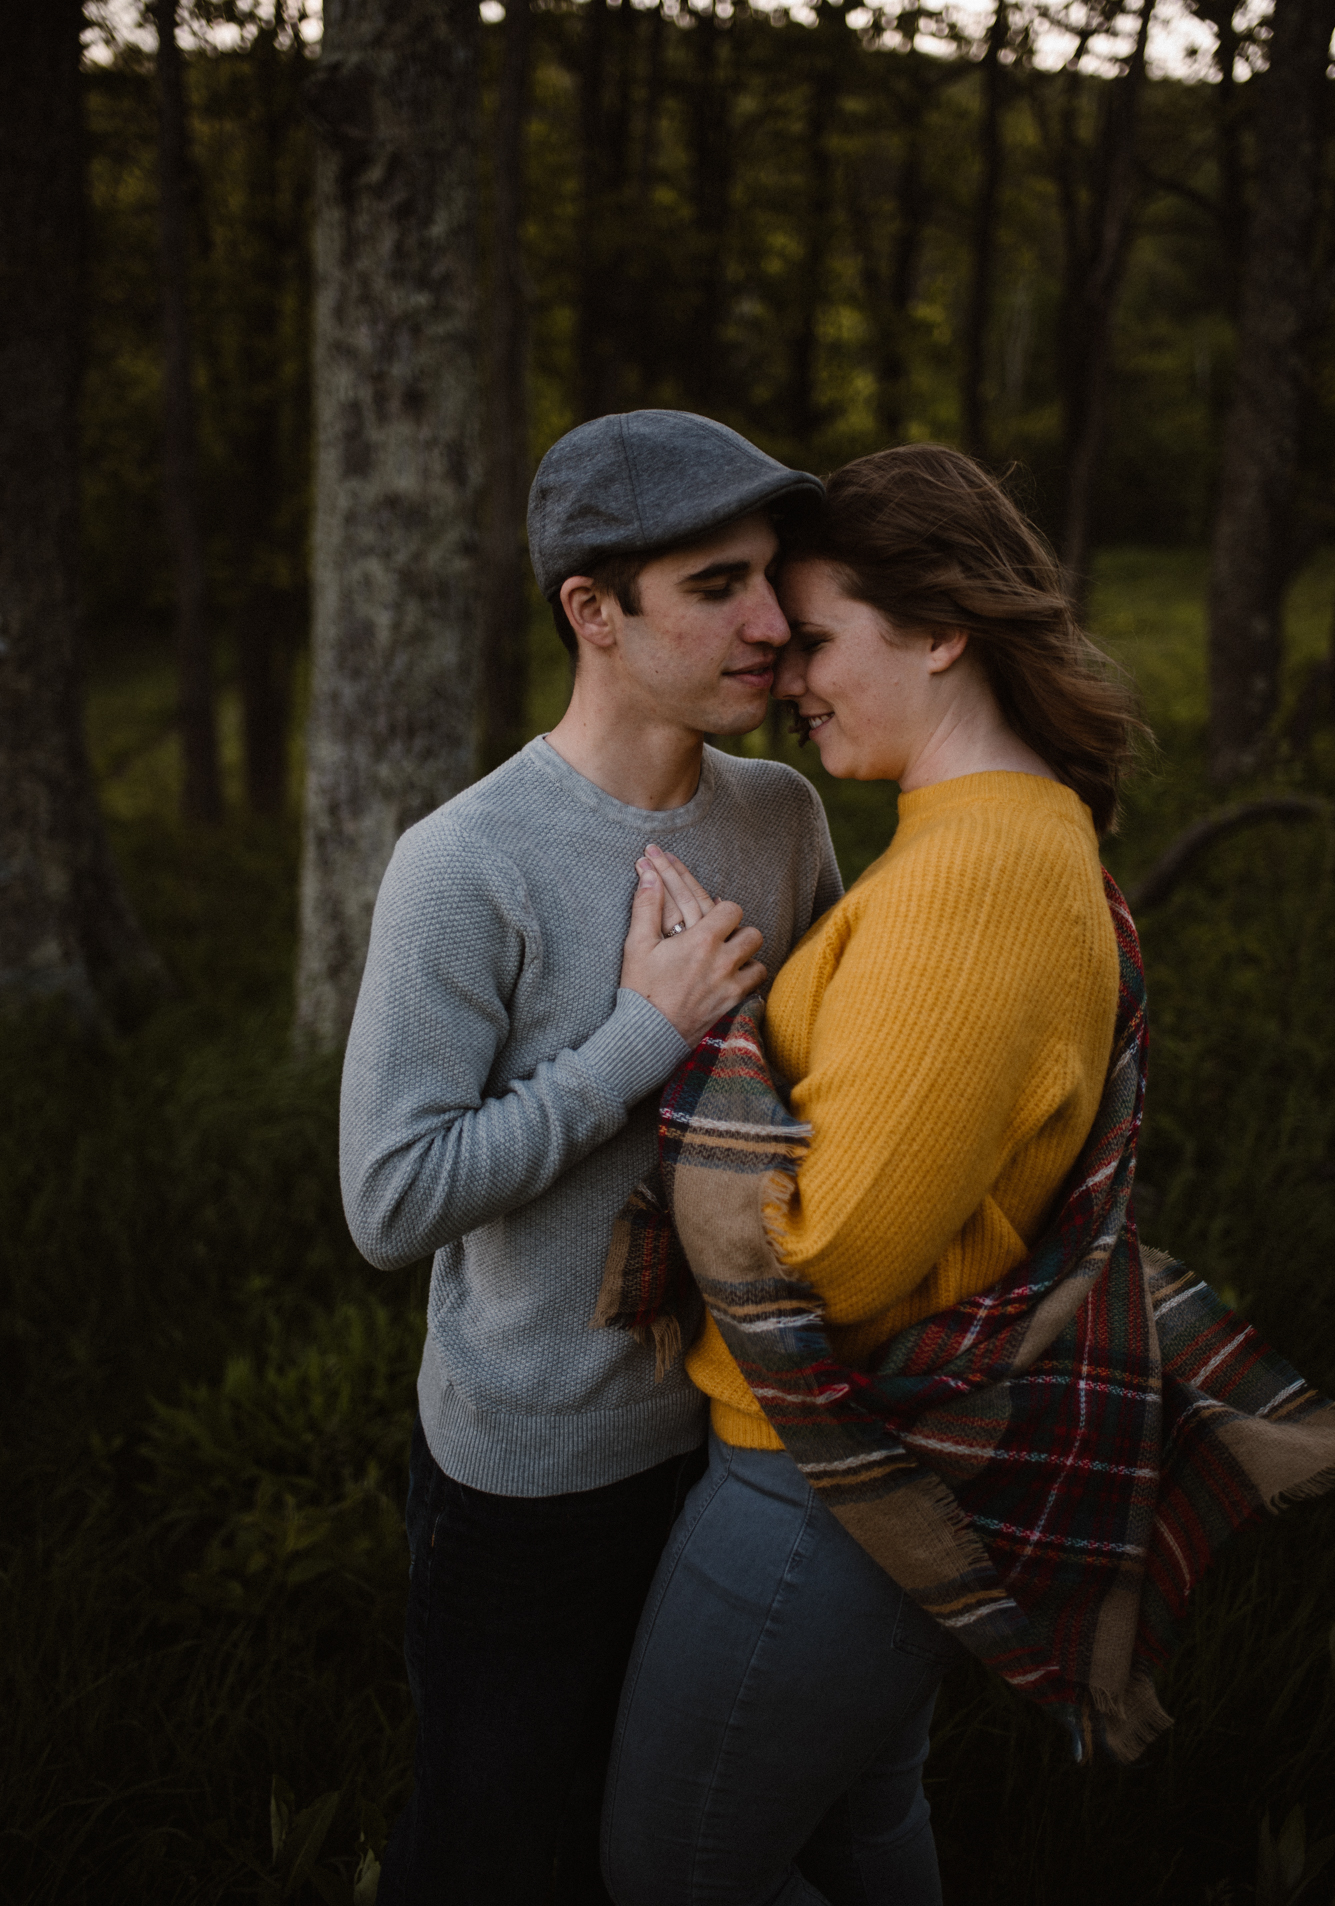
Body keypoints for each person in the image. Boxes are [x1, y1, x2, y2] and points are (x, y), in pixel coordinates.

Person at [599, 443, 1144, 1906]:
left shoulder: (977, 879)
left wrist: (691, 1054)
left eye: (822, 636)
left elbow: (828, 1259)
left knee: (671, 1866)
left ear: (943, 628)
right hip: (878, 1460)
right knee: (859, 1826)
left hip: (817, 1486)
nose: (790, 673)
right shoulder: (995, 836)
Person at [339, 408, 843, 1905]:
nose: (771, 624)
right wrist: (642, 1033)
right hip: (529, 1481)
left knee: (683, 1848)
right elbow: (391, 1199)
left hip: (737, 1446)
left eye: (772, 577)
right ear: (593, 612)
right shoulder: (464, 863)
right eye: (714, 586)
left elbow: (820, 1093)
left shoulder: (780, 813)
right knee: (501, 1852)